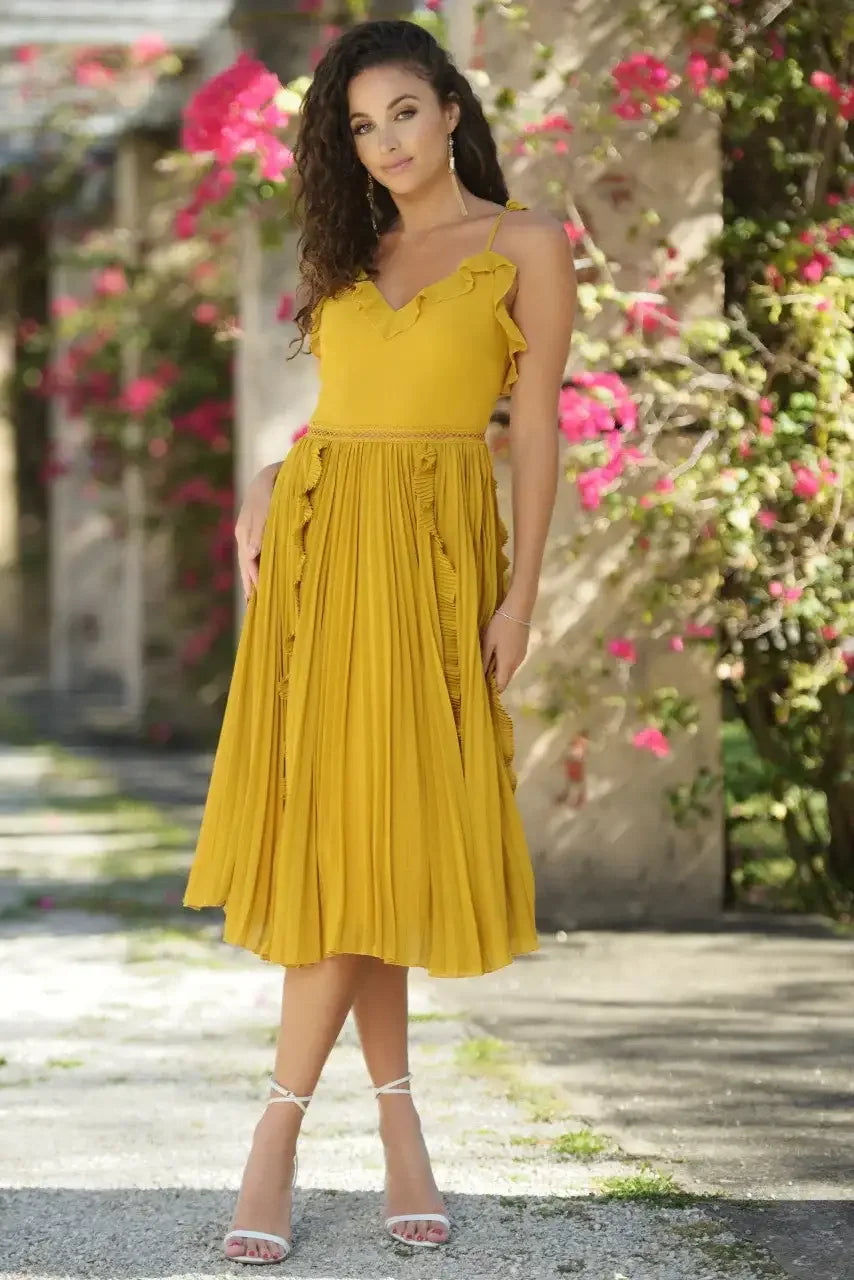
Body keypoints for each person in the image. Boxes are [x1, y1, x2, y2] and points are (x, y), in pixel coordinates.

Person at [182, 17, 575, 1266]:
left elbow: (531, 435)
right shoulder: (355, 253)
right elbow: (333, 419)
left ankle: (283, 1128)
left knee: (385, 834)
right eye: (360, 125)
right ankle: (376, 1126)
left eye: (402, 111)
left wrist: (519, 597)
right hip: (320, 552)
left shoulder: (519, 243)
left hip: (437, 562)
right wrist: (260, 477)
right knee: (352, 840)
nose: (384, 140)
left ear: (451, 109)